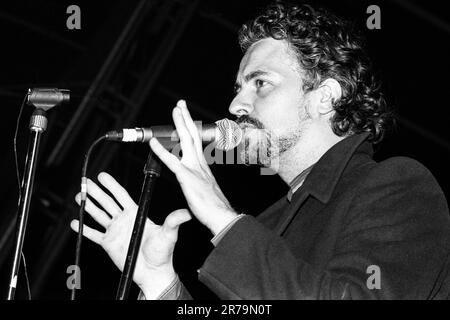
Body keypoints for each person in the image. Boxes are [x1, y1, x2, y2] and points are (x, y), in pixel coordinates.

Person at [70, 2, 450, 299]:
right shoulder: (268, 225)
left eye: (260, 83)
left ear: (324, 97)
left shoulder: (396, 185)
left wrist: (223, 218)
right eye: (239, 88)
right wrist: (161, 283)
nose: (237, 105)